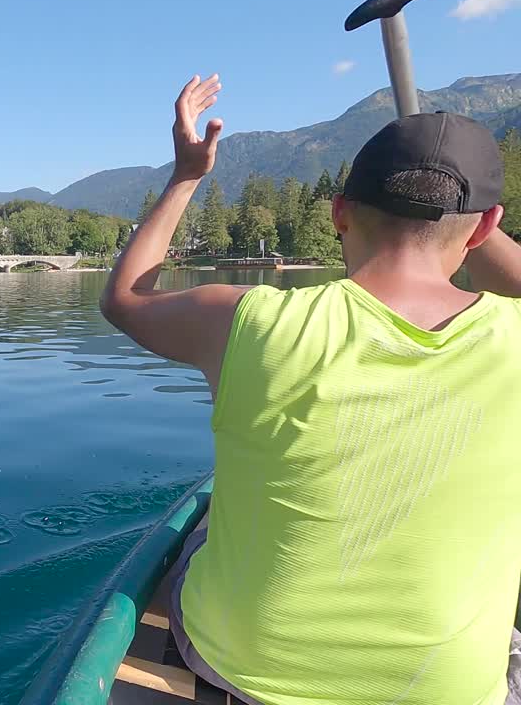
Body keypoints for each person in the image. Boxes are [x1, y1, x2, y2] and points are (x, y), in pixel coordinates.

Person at [104, 74, 519, 704]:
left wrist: (187, 173)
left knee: (205, 529)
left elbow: (125, 299)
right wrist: (469, 232)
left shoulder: (254, 321)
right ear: (488, 227)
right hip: (444, 690)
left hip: (246, 668)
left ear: (337, 214)